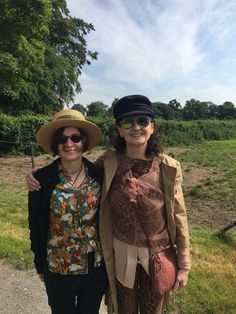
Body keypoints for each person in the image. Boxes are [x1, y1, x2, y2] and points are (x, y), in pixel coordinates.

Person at [27, 95, 190, 314]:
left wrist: (184, 263)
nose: (136, 127)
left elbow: (179, 215)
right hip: (115, 258)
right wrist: (35, 174)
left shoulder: (166, 167)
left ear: (152, 126)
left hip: (151, 259)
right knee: (123, 309)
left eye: (142, 121)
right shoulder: (107, 164)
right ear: (120, 129)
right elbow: (38, 221)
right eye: (127, 122)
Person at [28, 109, 108, 314]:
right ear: (56, 144)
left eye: (75, 137)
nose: (69, 144)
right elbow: (35, 224)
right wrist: (39, 263)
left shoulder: (100, 176)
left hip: (94, 268)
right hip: (57, 268)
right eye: (62, 139)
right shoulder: (42, 179)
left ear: (84, 141)